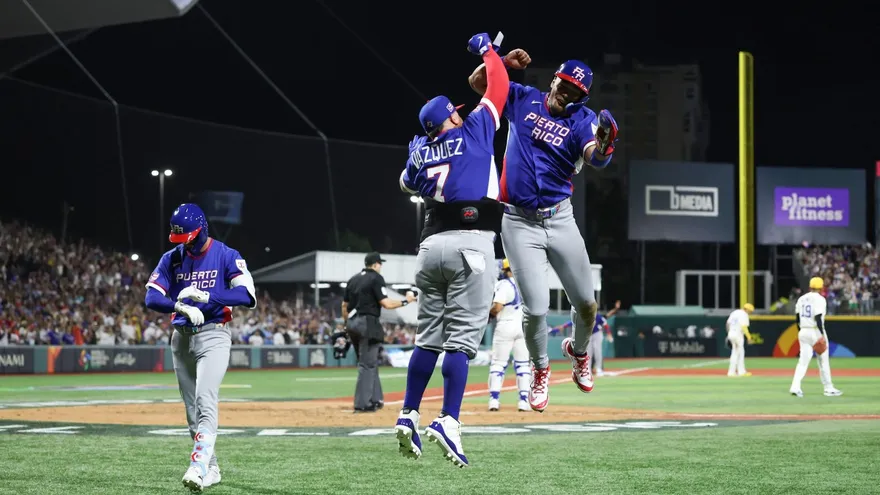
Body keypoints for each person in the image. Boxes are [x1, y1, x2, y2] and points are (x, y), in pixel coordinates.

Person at [468, 49, 619, 412]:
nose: (565, 93)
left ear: (582, 98)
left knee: (587, 305)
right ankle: (539, 370)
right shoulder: (522, 98)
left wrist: (606, 143)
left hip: (560, 218)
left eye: (574, 92)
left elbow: (596, 158)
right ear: (554, 78)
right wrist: (499, 64)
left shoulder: (582, 120)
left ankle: (578, 353)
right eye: (563, 84)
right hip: (519, 222)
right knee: (535, 310)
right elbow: (477, 84)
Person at [393, 32, 509, 468]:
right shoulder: (475, 128)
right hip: (471, 242)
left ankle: (407, 413)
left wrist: (420, 155)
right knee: (461, 343)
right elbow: (497, 89)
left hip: (429, 248)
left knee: (428, 339)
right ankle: (449, 420)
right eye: (456, 115)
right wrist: (487, 51)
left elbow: (405, 181)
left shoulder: (420, 153)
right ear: (453, 118)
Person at [144, 203, 257, 493]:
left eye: (188, 237)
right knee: (192, 410)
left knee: (205, 399)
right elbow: (151, 298)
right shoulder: (172, 258)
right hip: (180, 338)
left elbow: (246, 295)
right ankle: (212, 467)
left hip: (214, 334)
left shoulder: (225, 254)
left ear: (201, 229)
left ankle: (198, 465)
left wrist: (209, 295)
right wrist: (177, 304)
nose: (185, 244)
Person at [342, 252, 415, 412]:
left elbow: (344, 306)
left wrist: (346, 326)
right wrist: (406, 300)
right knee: (367, 364)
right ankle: (363, 404)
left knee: (369, 362)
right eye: (380, 263)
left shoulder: (353, 279)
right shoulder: (375, 278)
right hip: (367, 323)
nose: (380, 266)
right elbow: (386, 304)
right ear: (375, 264)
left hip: (353, 323)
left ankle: (376, 399)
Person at [487, 258, 530, 412]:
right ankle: (524, 401)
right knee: (523, 365)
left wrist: (488, 315)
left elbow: (497, 306)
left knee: (498, 363)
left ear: (506, 270)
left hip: (506, 324)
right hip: (524, 325)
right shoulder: (526, 284)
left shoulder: (504, 285)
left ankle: (494, 400)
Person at [790, 277, 843, 397]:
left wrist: (801, 332)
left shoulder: (801, 299)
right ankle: (828, 388)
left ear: (810, 287)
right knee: (823, 361)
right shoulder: (820, 299)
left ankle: (795, 386)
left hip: (803, 331)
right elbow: (818, 318)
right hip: (815, 331)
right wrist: (822, 335)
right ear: (821, 287)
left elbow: (797, 319)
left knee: (802, 362)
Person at [725, 303, 754, 377]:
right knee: (739, 353)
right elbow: (744, 327)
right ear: (746, 309)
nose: (750, 312)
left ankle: (733, 372)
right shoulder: (744, 315)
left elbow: (727, 324)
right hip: (738, 335)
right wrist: (749, 337)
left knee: (736, 352)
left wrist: (728, 334)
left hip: (731, 333)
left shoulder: (735, 312)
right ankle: (739, 372)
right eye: (750, 311)